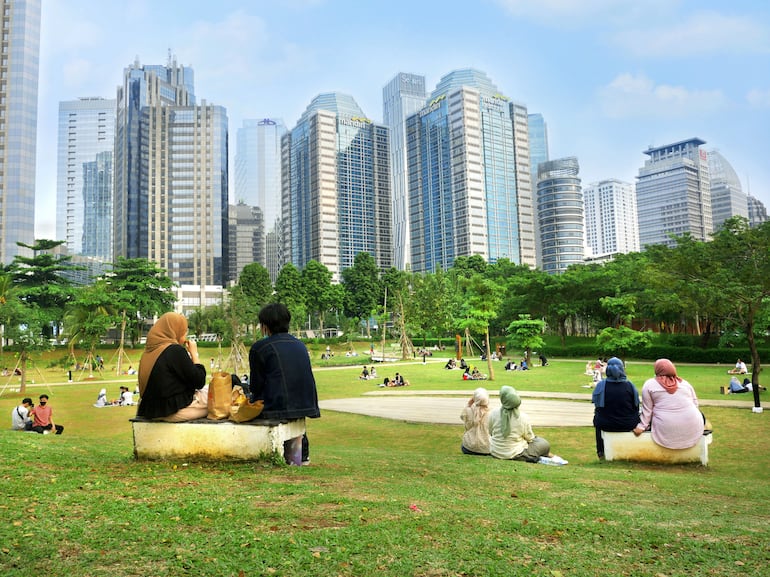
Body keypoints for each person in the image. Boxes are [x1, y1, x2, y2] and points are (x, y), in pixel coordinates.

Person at [249, 303, 320, 465]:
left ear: (264, 326)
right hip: (304, 403)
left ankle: (284, 456)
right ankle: (302, 455)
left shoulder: (260, 348)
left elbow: (256, 386)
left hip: (277, 405)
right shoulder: (300, 345)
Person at [137, 312, 208, 422]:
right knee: (219, 397)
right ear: (175, 331)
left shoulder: (148, 352)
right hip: (173, 411)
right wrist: (194, 354)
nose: (185, 337)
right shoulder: (174, 350)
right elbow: (199, 381)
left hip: (150, 411)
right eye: (184, 332)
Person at [633, 359, 705, 450]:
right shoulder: (685, 383)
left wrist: (641, 427)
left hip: (665, 427)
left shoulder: (649, 385)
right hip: (693, 424)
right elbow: (695, 404)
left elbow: (647, 410)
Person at [488, 386, 566, 464]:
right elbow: (530, 438)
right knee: (544, 444)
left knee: (537, 443)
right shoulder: (522, 417)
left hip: (495, 452)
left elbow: (491, 432)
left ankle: (546, 456)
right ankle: (544, 457)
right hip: (514, 453)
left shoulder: (493, 413)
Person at [591, 357, 640, 459]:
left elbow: (597, 406)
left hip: (605, 424)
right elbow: (636, 406)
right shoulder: (630, 386)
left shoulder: (601, 386)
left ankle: (601, 452)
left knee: (598, 418)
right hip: (628, 424)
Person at [460, 387, 491, 455]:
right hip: (486, 449)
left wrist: (469, 404)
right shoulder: (491, 413)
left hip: (469, 448)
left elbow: (462, 417)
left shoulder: (468, 410)